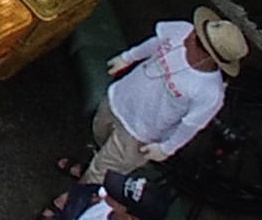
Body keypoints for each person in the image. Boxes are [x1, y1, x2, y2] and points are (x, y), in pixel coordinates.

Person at [88, 12, 249, 178]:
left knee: (101, 174)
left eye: (199, 41)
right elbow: (156, 42)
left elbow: (190, 125)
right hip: (117, 99)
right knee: (99, 136)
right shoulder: (183, 30)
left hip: (137, 134)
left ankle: (77, 197)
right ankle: (91, 163)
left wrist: (166, 149)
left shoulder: (210, 93)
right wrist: (127, 57)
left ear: (210, 57)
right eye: (199, 31)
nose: (192, 34)